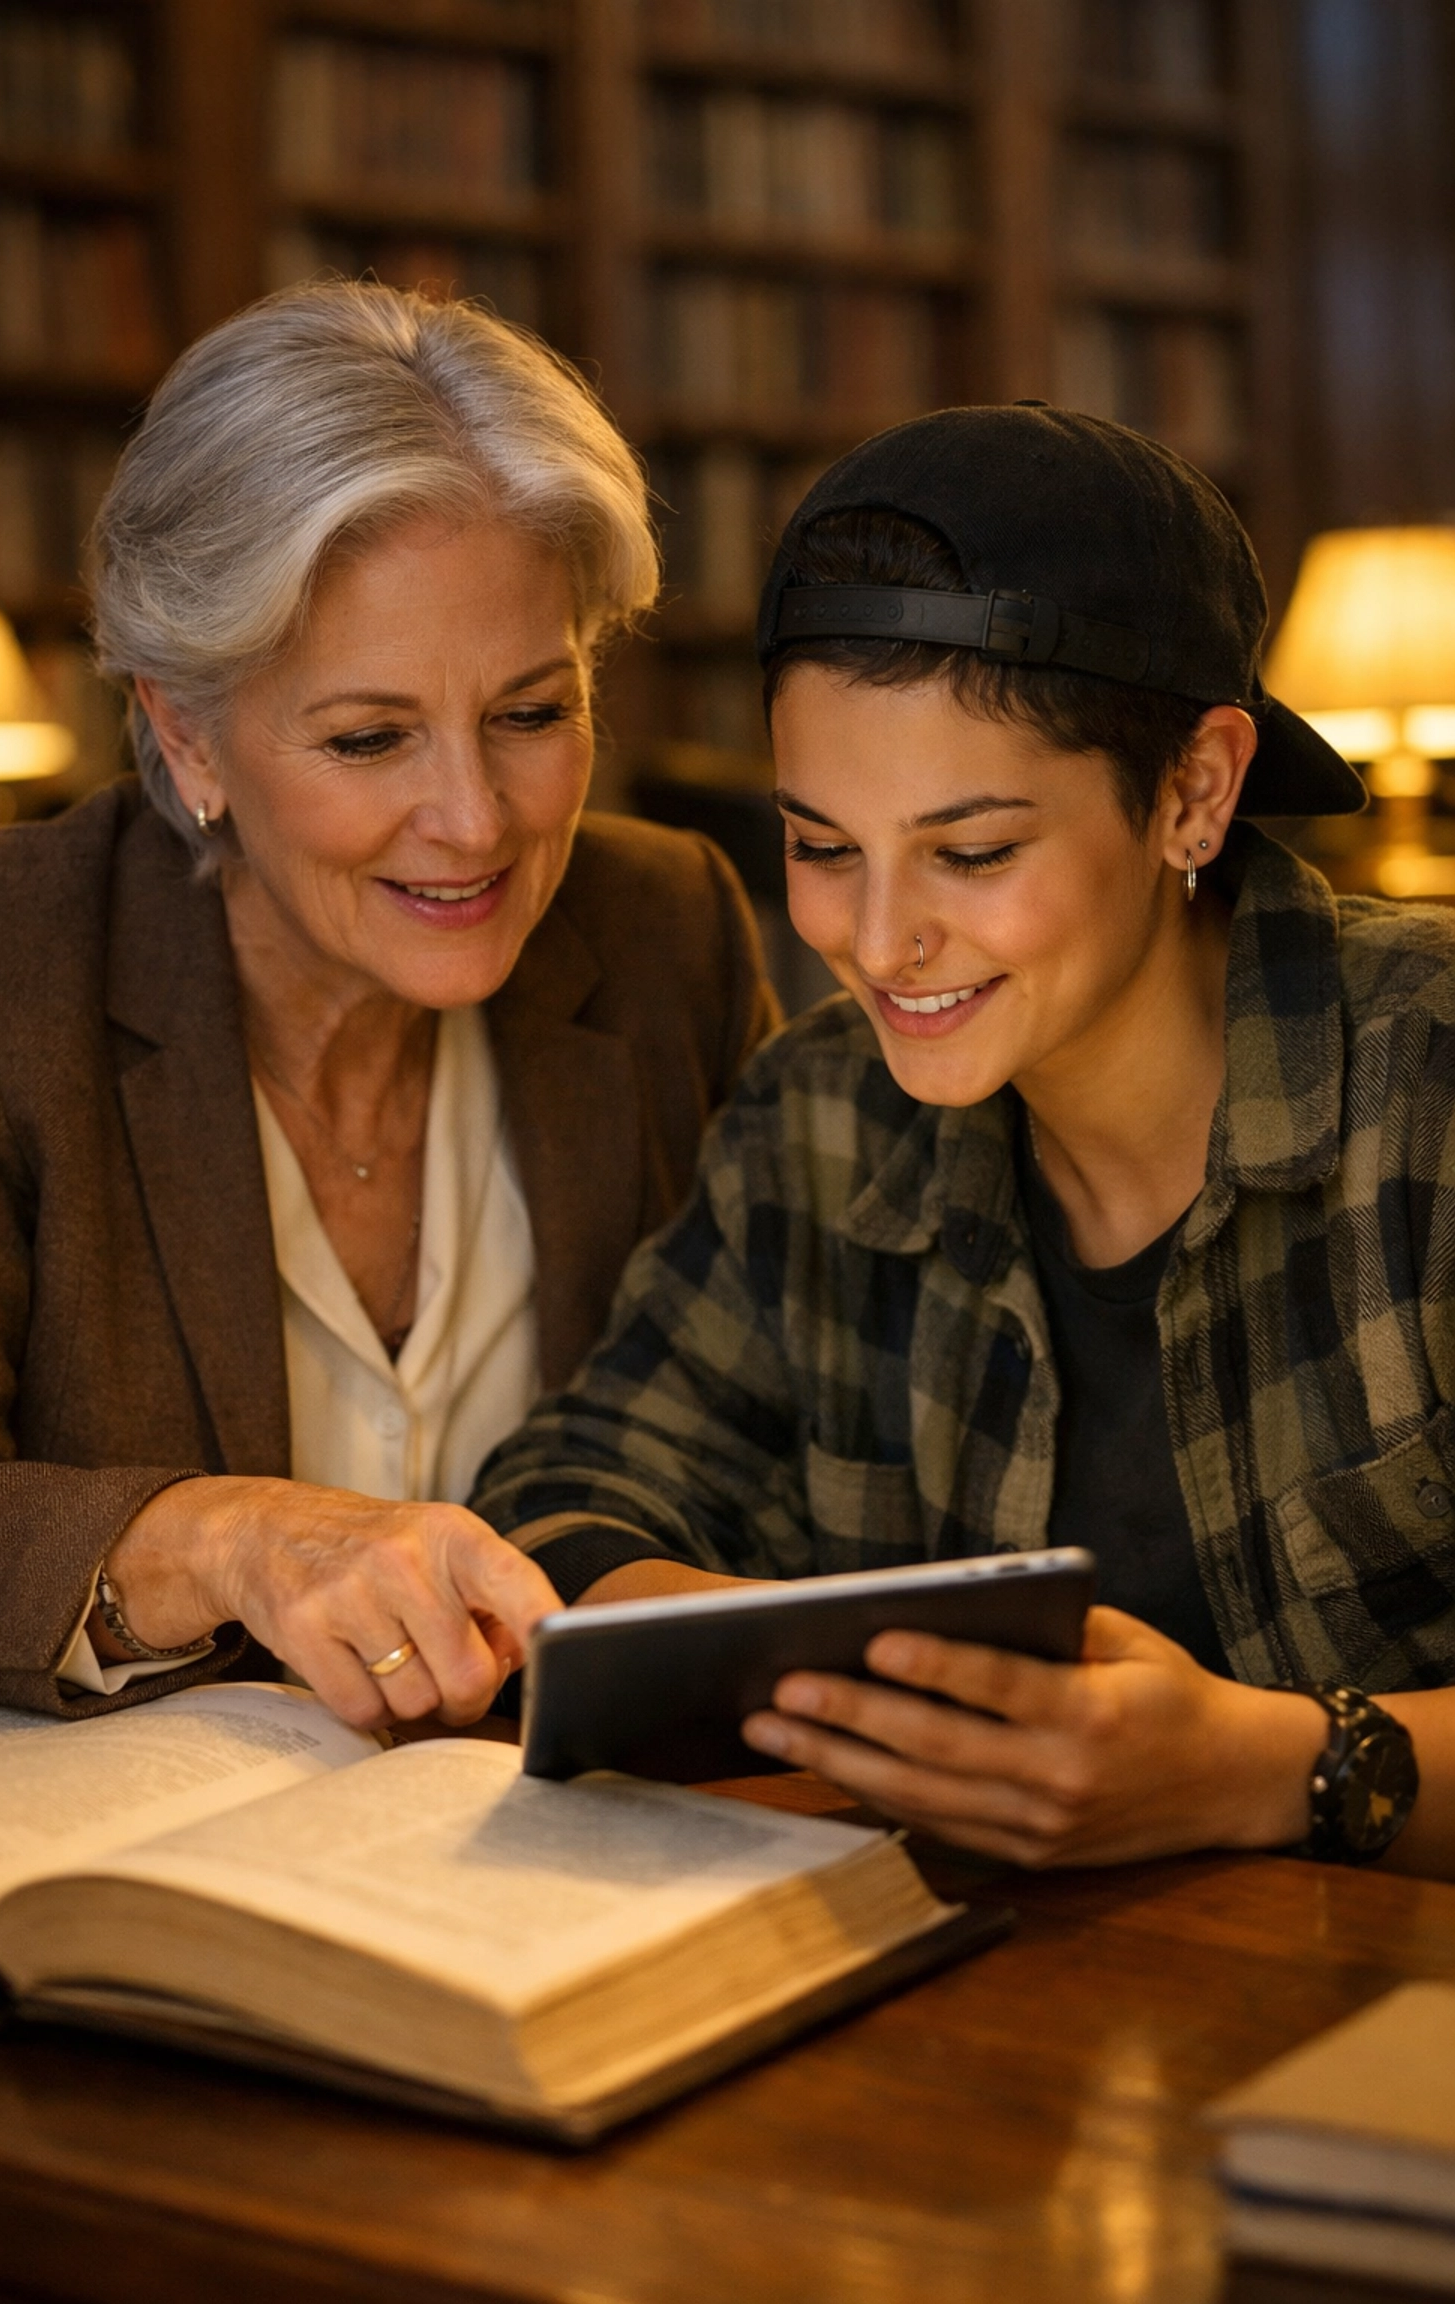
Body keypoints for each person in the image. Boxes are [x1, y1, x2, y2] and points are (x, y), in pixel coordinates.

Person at [473, 404, 1455, 1878]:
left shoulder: (1429, 1090)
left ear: (1195, 790)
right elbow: (562, 1499)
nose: (876, 944)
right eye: (820, 846)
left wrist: (1270, 1769)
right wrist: (803, 1679)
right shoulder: (818, 1117)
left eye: (974, 852)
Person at [0, 281, 776, 1727]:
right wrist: (231, 1538)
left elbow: (779, 1425)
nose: (474, 822)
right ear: (183, 733)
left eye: (531, 713)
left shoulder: (664, 927)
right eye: (370, 737)